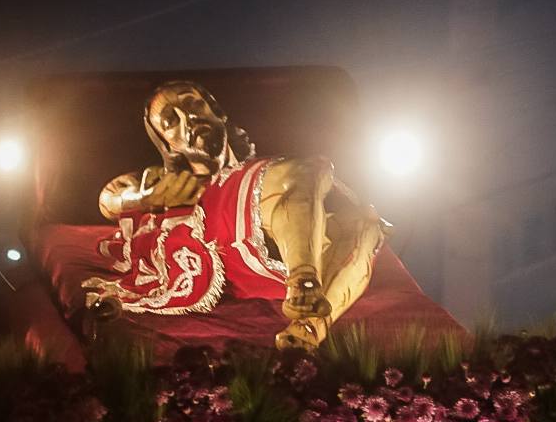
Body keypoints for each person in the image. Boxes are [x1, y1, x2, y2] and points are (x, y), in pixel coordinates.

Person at [83, 80, 387, 349]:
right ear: (168, 145)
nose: (188, 118)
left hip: (277, 260)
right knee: (307, 167)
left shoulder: (263, 170)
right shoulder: (163, 179)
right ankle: (304, 279)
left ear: (216, 111)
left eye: (192, 104)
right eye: (170, 121)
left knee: (366, 226)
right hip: (229, 241)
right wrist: (148, 196)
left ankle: (308, 328)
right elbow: (108, 198)